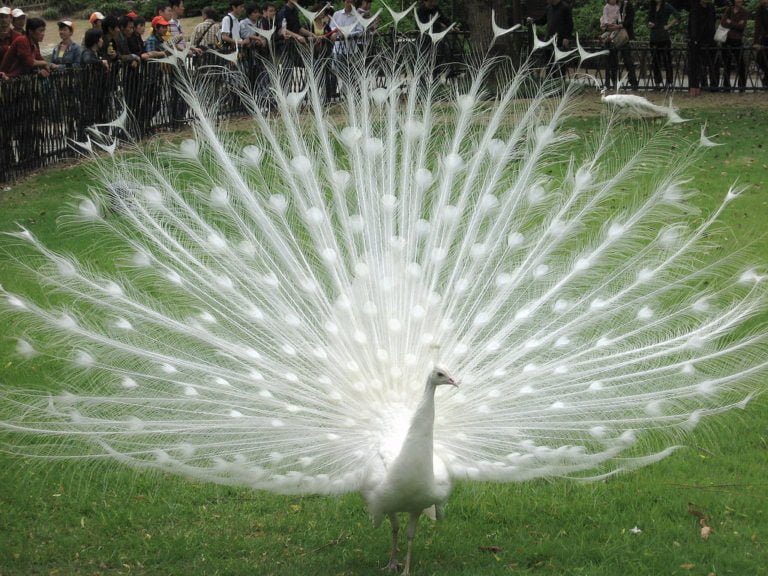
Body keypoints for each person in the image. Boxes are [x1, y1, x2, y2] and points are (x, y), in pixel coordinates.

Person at [600, 0, 638, 90]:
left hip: (623, 36)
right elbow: (605, 17)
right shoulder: (610, 5)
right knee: (612, 61)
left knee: (627, 60)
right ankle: (614, 83)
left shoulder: (627, 4)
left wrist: (620, 25)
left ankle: (633, 83)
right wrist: (607, 25)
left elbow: (630, 20)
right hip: (611, 35)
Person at [688, 0, 718, 95]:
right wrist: (694, 38)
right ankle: (695, 86)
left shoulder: (711, 8)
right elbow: (693, 24)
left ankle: (713, 85)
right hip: (697, 39)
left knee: (712, 63)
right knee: (695, 64)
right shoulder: (695, 8)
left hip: (710, 38)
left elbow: (713, 21)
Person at [647, 0, 678, 90]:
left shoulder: (667, 6)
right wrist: (650, 24)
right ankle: (657, 83)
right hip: (654, 36)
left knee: (667, 60)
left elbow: (677, 15)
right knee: (655, 61)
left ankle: (669, 82)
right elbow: (649, 20)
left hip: (664, 37)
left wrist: (668, 26)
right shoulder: (652, 7)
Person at [719, 0, 747, 92]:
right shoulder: (729, 10)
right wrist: (736, 24)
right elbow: (723, 22)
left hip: (737, 40)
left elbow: (742, 26)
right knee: (726, 63)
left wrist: (730, 22)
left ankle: (741, 86)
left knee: (741, 64)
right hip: (727, 39)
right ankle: (726, 86)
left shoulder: (743, 12)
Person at [755, 0, 768, 88]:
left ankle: (766, 79)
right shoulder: (760, 9)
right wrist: (756, 42)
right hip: (764, 39)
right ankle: (766, 78)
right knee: (760, 59)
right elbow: (758, 25)